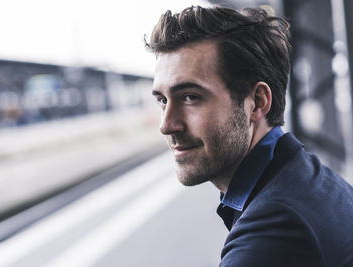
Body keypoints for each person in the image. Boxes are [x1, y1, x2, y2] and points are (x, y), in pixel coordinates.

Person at [145, 5, 353, 267]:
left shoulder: (274, 231)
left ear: (256, 102)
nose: (166, 125)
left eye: (190, 97)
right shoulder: (306, 177)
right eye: (162, 100)